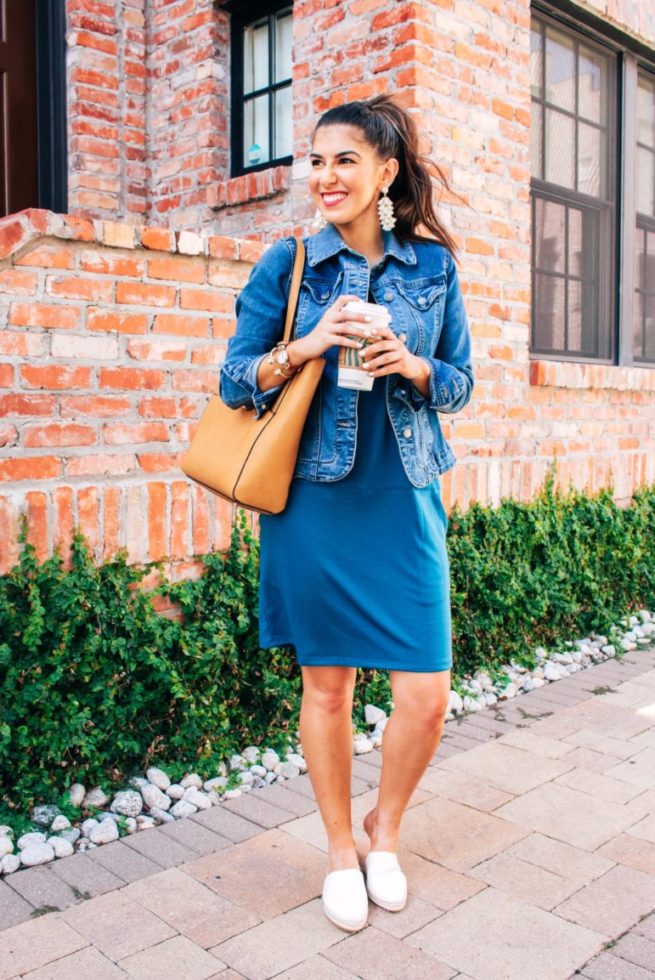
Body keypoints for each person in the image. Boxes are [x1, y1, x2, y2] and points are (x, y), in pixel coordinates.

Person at [219, 95, 473, 933]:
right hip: (315, 502)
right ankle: (337, 847)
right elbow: (232, 380)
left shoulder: (433, 268)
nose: (325, 178)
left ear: (386, 172)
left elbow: (462, 384)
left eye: (345, 161)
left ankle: (383, 829)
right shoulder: (287, 262)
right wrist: (309, 343)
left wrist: (416, 366)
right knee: (325, 688)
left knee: (426, 693)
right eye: (316, 161)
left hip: (402, 496)